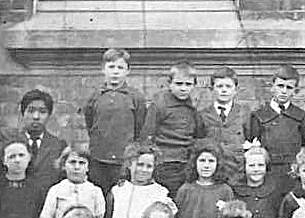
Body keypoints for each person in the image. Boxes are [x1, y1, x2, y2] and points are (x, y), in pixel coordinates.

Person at [83, 48, 147, 193]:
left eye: (120, 68)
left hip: (123, 160)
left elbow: (139, 126)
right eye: (111, 67)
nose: (115, 72)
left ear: (128, 71)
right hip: (99, 158)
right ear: (103, 69)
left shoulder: (136, 97)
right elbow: (90, 123)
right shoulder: (95, 96)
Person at [140, 61, 206, 197]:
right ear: (170, 83)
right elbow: (147, 135)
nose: (183, 88)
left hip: (186, 163)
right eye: (179, 84)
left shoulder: (192, 108)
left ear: (194, 85)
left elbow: (198, 134)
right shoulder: (160, 104)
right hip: (165, 162)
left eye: (188, 84)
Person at [39, 145, 106, 218]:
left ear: (88, 167)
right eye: (72, 162)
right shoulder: (56, 190)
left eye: (82, 163)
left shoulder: (95, 191)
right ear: (64, 165)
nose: (76, 167)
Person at [247, 64, 305, 184]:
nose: (284, 91)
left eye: (289, 87)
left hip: (292, 174)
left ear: (295, 91)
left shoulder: (301, 116)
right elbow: (254, 149)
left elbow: (304, 145)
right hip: (267, 174)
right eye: (280, 86)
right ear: (272, 87)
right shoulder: (258, 116)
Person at [0, 89, 67, 197]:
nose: (36, 116)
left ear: (49, 115)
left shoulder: (58, 146)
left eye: (42, 112)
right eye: (31, 111)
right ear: (23, 113)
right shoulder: (10, 144)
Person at [199, 66, 250, 186]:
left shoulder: (244, 113)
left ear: (235, 90)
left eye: (228, 86)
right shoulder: (202, 115)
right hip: (213, 174)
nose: (224, 90)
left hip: (238, 173)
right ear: (212, 89)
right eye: (219, 86)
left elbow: (250, 140)